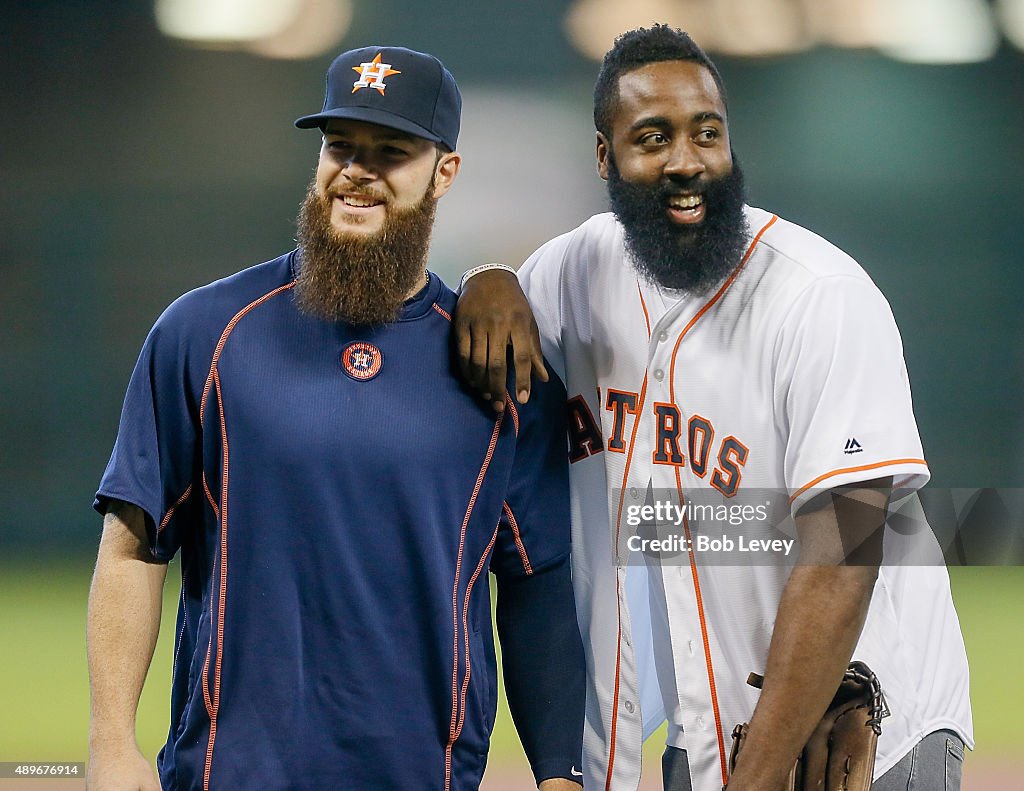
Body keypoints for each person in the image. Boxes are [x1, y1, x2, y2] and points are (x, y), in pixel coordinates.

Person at [454, 25, 972, 791]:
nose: (686, 160)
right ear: (606, 157)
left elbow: (847, 544)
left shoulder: (821, 298)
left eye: (707, 132)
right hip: (708, 734)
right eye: (653, 138)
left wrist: (756, 779)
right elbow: (498, 319)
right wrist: (485, 276)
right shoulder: (568, 275)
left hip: (865, 732)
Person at [86, 45, 586, 791]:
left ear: (444, 172)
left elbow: (535, 581)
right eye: (340, 145)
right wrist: (111, 741)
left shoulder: (498, 364)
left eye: (393, 151)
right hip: (230, 774)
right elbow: (131, 548)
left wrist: (557, 774)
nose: (359, 170)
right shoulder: (204, 333)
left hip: (426, 774)